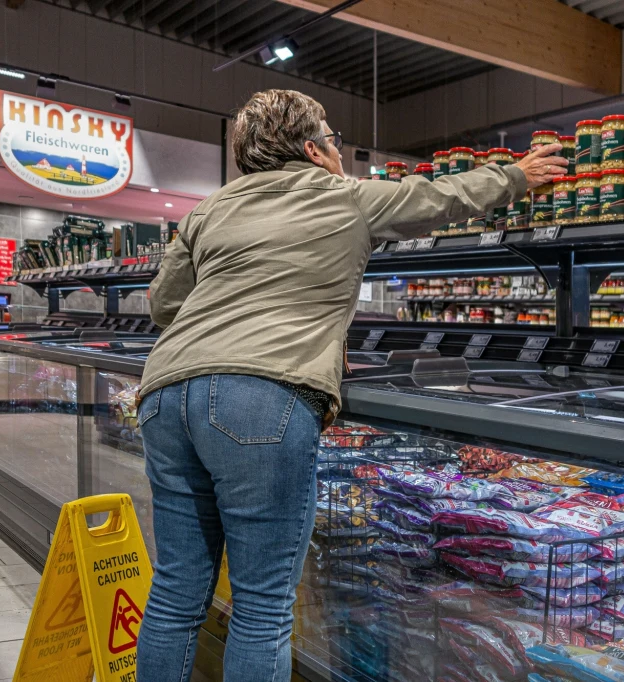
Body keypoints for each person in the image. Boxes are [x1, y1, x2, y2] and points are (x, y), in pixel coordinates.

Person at [135, 89, 567, 682]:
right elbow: (442, 198)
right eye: (334, 140)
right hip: (261, 393)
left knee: (176, 594)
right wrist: (516, 175)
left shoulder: (209, 210)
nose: (339, 152)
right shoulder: (343, 197)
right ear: (314, 150)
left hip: (164, 393)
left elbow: (162, 305)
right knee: (261, 608)